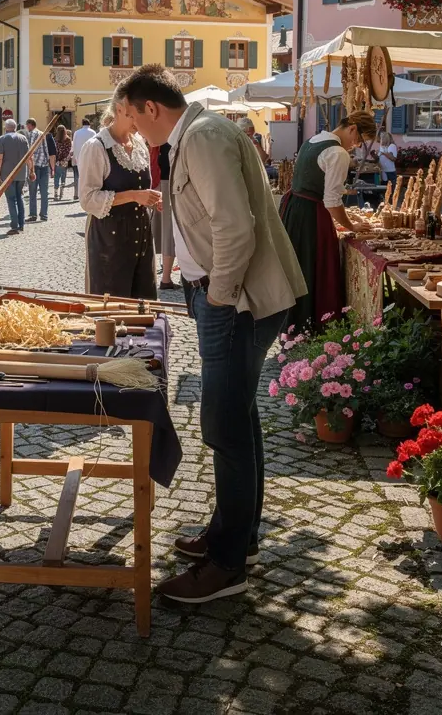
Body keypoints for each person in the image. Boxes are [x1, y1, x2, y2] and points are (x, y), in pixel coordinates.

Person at [117, 65, 305, 603]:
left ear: (151, 108)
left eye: (130, 114)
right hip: (225, 297)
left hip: (236, 301)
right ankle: (235, 537)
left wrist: (218, 295)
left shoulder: (200, 137)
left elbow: (234, 227)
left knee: (224, 425)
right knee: (238, 419)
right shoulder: (199, 133)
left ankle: (227, 566)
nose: (128, 127)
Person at [281, 110, 378, 331]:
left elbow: (314, 179)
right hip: (311, 216)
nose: (356, 146)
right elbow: (332, 201)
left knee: (299, 266)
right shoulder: (338, 152)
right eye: (359, 140)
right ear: (352, 128)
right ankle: (312, 325)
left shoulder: (313, 140)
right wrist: (351, 225)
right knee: (314, 267)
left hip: (295, 209)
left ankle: (295, 323)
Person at [78, 100, 159, 298]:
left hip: (141, 236)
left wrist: (152, 198)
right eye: (135, 114)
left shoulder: (139, 144)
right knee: (112, 304)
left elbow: (142, 187)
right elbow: (87, 199)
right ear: (119, 109)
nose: (141, 120)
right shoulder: (96, 147)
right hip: (109, 240)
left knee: (144, 302)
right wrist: (133, 196)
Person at [0, 119, 34, 235]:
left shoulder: (2, 139)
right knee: (19, 197)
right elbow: (29, 157)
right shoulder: (23, 138)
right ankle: (21, 224)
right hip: (21, 173)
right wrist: (32, 171)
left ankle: (14, 225)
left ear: (5, 128)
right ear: (15, 127)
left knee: (11, 199)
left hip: (7, 174)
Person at [150, 143, 177, 289]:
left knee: (165, 231)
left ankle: (166, 277)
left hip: (162, 184)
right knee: (169, 232)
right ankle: (166, 278)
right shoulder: (168, 139)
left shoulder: (160, 138)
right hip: (168, 185)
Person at [24, 117, 55, 221]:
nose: (26, 128)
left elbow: (31, 151)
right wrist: (52, 167)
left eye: (27, 125)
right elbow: (49, 152)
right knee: (44, 192)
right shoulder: (43, 133)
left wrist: (30, 169)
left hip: (35, 166)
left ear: (30, 125)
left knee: (32, 192)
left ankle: (33, 215)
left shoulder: (32, 134)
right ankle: (44, 214)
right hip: (44, 165)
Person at [71, 116, 95, 202]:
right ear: (89, 124)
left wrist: (74, 156)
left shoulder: (77, 132)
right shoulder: (93, 132)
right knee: (89, 177)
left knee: (78, 176)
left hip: (79, 157)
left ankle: (77, 194)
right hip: (90, 158)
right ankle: (88, 193)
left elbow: (73, 145)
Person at [53, 124, 72, 200]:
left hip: (57, 161)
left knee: (56, 177)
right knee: (63, 177)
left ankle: (56, 193)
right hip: (64, 161)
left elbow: (54, 151)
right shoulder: (68, 140)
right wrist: (64, 158)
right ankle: (61, 193)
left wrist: (57, 158)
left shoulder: (55, 139)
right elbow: (68, 150)